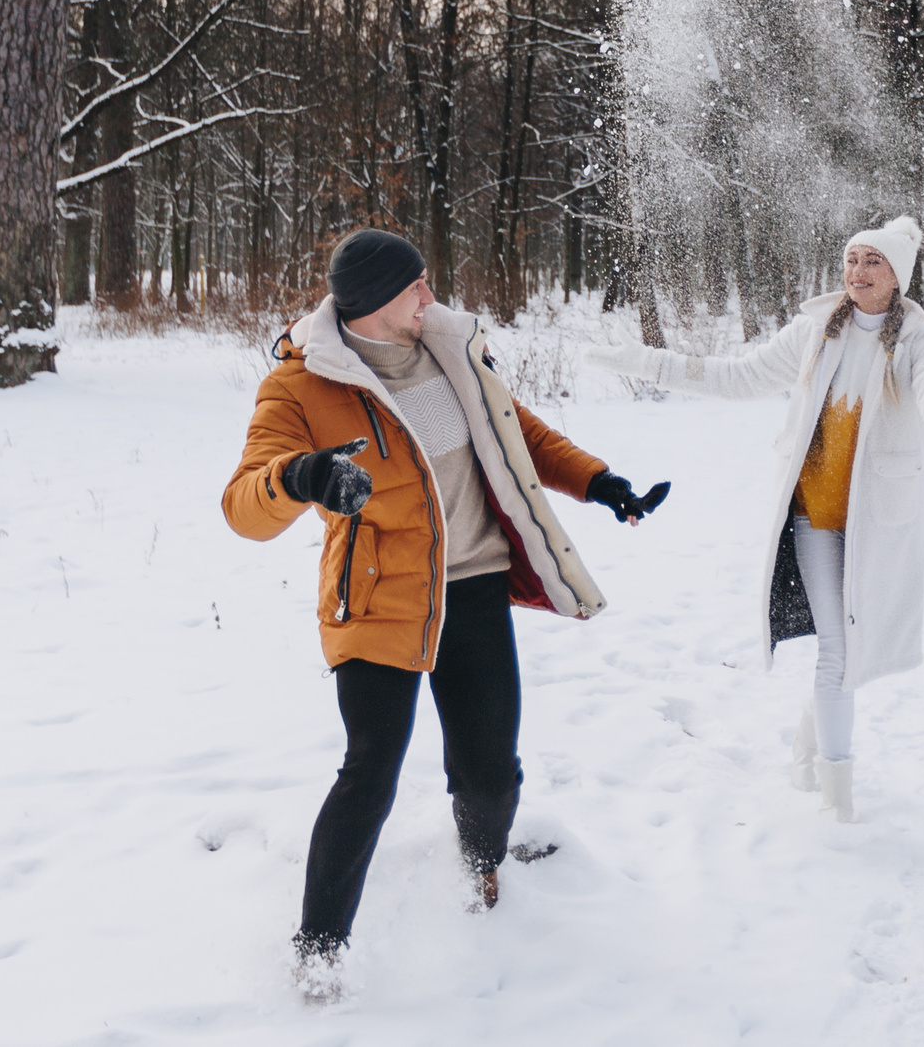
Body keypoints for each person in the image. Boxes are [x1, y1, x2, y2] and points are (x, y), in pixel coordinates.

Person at [225, 227, 669, 1001]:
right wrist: (302, 476)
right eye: (417, 287)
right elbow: (243, 504)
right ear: (370, 302)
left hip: (472, 583)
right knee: (371, 770)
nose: (432, 297)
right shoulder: (300, 389)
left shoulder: (449, 349)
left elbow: (517, 431)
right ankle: (320, 950)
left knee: (490, 768)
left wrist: (600, 483)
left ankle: (480, 863)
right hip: (379, 594)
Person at [583, 216, 924, 823]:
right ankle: (837, 803)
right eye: (851, 259)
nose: (858, 272)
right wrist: (647, 362)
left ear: (897, 274)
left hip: (876, 524)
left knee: (850, 649)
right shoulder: (817, 331)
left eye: (873, 261)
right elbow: (737, 377)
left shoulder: (921, 342)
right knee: (839, 654)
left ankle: (807, 743)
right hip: (814, 517)